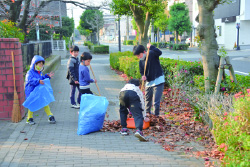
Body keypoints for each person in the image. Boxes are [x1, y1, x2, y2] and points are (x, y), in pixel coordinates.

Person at [133, 43, 165, 116]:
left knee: (155, 102)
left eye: (139, 55)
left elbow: (159, 52)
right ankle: (147, 115)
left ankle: (156, 117)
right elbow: (142, 71)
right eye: (137, 56)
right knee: (147, 100)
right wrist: (143, 76)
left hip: (158, 80)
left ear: (144, 52)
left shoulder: (151, 54)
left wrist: (151, 47)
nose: (138, 57)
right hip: (149, 82)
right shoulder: (141, 61)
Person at [25, 55, 56, 125]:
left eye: (42, 64)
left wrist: (47, 76)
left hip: (38, 91)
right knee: (31, 104)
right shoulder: (30, 72)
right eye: (40, 64)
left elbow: (41, 78)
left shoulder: (39, 72)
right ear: (35, 64)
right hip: (31, 91)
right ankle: (29, 118)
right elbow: (29, 80)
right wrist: (38, 81)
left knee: (45, 102)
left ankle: (50, 115)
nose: (41, 65)